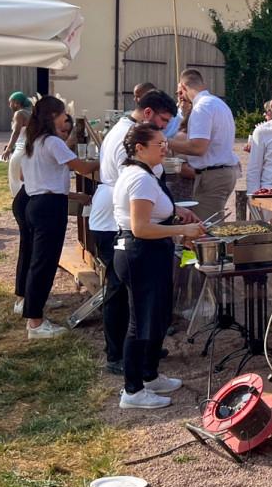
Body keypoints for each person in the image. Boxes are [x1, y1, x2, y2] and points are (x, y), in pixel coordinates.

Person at [89, 90, 185, 375]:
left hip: (122, 217)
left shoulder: (132, 134)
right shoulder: (131, 146)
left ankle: (144, 351)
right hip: (117, 223)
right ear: (147, 114)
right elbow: (137, 195)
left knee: (139, 298)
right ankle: (119, 355)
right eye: (164, 121)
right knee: (122, 294)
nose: (165, 129)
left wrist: (172, 210)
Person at [113, 122, 204, 409]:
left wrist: (176, 211)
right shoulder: (139, 178)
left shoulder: (146, 174)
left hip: (151, 253)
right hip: (140, 253)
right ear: (139, 148)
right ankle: (132, 390)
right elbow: (140, 227)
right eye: (159, 144)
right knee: (139, 323)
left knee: (157, 316)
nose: (165, 148)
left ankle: (150, 375)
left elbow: (155, 208)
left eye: (165, 142)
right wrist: (182, 232)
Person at [14, 96, 99, 338]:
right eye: (63, 114)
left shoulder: (35, 141)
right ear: (53, 116)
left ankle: (33, 309)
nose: (66, 118)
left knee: (38, 262)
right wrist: (103, 161)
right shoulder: (52, 141)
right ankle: (36, 324)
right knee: (44, 263)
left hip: (36, 203)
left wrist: (73, 194)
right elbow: (82, 167)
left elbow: (27, 176)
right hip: (49, 207)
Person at [169, 68, 239, 221]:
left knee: (206, 229)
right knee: (209, 225)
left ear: (183, 87)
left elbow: (198, 147)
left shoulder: (202, 107)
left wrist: (166, 143)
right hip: (221, 173)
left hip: (212, 175)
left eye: (180, 91)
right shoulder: (218, 103)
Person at [2, 92, 32, 196]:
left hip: (21, 149)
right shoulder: (31, 113)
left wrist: (8, 149)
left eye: (10, 102)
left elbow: (16, 132)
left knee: (15, 176)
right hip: (30, 148)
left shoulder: (19, 114)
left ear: (16, 103)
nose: (9, 105)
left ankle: (18, 199)